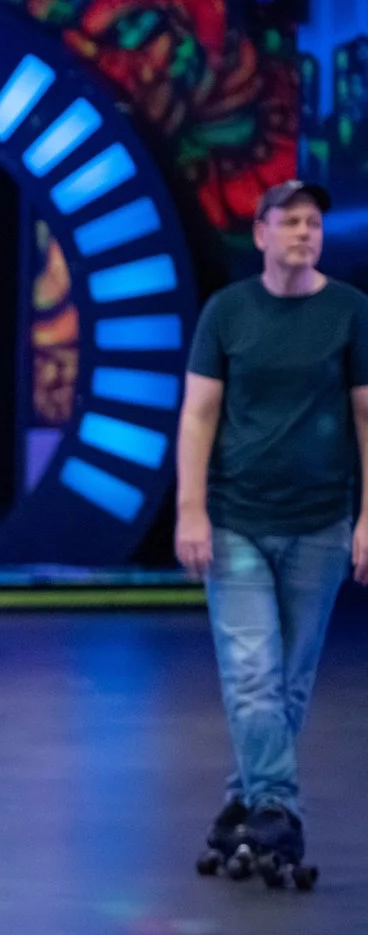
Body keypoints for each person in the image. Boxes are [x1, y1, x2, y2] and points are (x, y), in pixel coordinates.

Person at [174, 177, 368, 886]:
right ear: (260, 233)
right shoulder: (227, 312)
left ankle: (241, 805)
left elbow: (366, 417)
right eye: (289, 222)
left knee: (288, 683)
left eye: (313, 222)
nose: (303, 233)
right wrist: (190, 509)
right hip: (238, 522)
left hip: (320, 521)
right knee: (254, 674)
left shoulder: (350, 311)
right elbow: (198, 415)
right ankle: (278, 812)